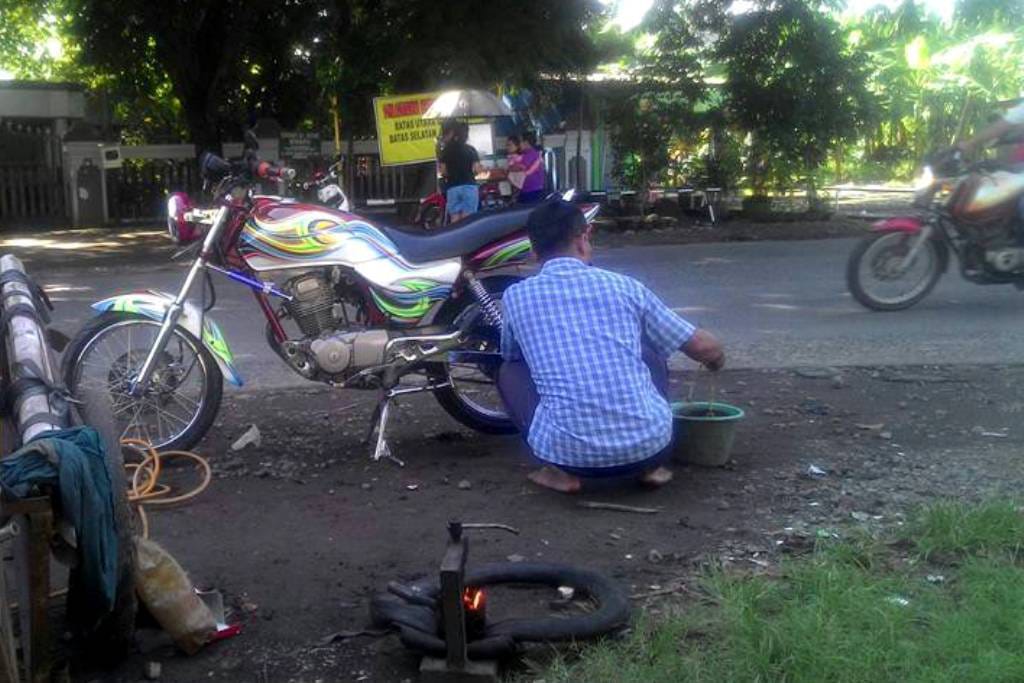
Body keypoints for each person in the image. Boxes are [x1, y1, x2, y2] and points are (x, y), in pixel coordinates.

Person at [497, 200, 725, 494]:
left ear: (533, 250)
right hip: (652, 446)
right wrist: (716, 360)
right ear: (584, 238)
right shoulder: (625, 286)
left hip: (571, 457)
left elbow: (511, 354)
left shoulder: (516, 297)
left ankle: (558, 473)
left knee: (508, 369)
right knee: (648, 347)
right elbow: (703, 348)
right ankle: (651, 469)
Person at [438, 121, 482, 223]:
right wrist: (470, 173)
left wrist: (452, 173)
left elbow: (443, 171)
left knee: (454, 219)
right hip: (469, 186)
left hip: (452, 187)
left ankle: (457, 238)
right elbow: (477, 169)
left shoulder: (446, 150)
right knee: (468, 220)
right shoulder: (471, 150)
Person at [516, 132, 546, 204]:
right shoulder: (528, 154)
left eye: (520, 142)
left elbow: (520, 168)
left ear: (526, 142)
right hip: (531, 189)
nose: (518, 145)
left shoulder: (530, 154)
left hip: (531, 190)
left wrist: (511, 167)